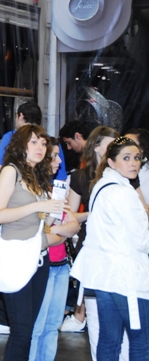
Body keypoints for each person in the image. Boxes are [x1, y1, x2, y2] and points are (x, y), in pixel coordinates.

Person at [0, 125, 64, 361]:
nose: (40, 148)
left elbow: (40, 221)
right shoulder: (11, 171)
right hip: (15, 257)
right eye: (34, 142)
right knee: (21, 332)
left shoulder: (37, 176)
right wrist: (37, 207)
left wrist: (54, 213)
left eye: (43, 144)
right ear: (21, 145)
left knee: (27, 330)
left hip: (37, 257)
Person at [71, 136, 149, 361]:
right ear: (111, 162)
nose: (133, 163)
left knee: (109, 339)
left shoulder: (101, 187)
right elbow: (142, 241)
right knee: (141, 341)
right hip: (127, 278)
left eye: (136, 157)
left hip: (103, 276)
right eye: (126, 158)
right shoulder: (124, 193)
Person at [60, 126, 119, 334]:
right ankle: (80, 315)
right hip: (91, 240)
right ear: (96, 147)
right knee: (91, 287)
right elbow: (70, 214)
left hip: (118, 242)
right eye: (111, 145)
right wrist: (92, 215)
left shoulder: (126, 176)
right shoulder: (81, 177)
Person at [28, 138, 80, 361]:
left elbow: (74, 224)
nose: (59, 160)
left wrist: (54, 231)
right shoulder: (32, 190)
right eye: (55, 156)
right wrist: (57, 231)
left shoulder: (55, 189)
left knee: (52, 326)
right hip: (42, 265)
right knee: (36, 326)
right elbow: (35, 233)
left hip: (60, 266)